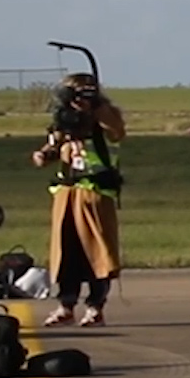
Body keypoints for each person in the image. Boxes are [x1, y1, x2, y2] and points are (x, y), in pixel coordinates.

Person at [30, 74, 126, 327]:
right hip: (67, 194)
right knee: (66, 252)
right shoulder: (64, 119)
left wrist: (95, 107)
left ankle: (95, 307)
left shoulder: (105, 115)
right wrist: (43, 155)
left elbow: (117, 132)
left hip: (95, 193)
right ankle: (66, 305)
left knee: (97, 254)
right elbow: (53, 145)